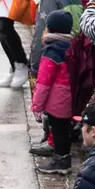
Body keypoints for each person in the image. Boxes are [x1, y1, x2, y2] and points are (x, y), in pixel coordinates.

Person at [31, 11, 77, 171]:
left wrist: (36, 106)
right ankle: (64, 158)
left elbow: (43, 83)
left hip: (56, 100)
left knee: (58, 130)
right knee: (64, 129)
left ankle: (60, 161)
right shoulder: (71, 47)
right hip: (70, 96)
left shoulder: (51, 51)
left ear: (49, 28)